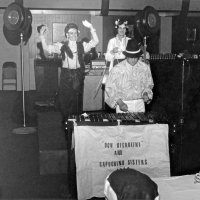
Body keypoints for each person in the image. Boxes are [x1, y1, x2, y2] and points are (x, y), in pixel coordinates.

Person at [38, 20, 99, 120]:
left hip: (78, 75)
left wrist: (91, 27)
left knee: (77, 100)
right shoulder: (61, 46)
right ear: (67, 35)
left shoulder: (82, 46)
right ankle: (66, 121)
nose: (73, 35)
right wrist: (42, 35)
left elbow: (96, 41)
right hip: (66, 75)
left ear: (78, 34)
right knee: (66, 100)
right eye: (71, 33)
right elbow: (46, 48)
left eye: (75, 32)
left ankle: (77, 121)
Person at [105, 38, 154, 113]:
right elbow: (109, 89)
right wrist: (120, 103)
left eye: (136, 57)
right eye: (131, 57)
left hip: (140, 104)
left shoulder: (144, 67)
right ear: (126, 56)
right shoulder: (117, 69)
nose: (134, 60)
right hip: (123, 104)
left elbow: (149, 84)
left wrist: (145, 93)